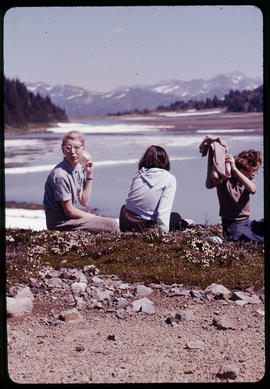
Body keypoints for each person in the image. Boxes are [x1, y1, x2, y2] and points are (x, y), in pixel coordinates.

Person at [43, 130, 119, 233]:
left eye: (77, 147)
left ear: (83, 149)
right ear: (63, 150)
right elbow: (69, 210)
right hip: (59, 223)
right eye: (68, 148)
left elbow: (84, 201)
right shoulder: (60, 175)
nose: (73, 152)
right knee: (111, 225)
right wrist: (95, 218)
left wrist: (89, 174)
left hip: (69, 218)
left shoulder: (78, 168)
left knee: (110, 224)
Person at [119, 145, 182, 232]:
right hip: (144, 225)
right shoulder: (169, 178)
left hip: (125, 221)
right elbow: (163, 210)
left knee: (125, 207)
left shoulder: (138, 175)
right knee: (176, 217)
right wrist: (163, 232)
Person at [210, 149, 264, 244]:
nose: (255, 173)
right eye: (254, 170)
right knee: (260, 242)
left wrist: (235, 170)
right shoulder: (226, 181)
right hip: (234, 227)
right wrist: (215, 156)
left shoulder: (249, 180)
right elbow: (214, 177)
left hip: (247, 223)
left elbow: (252, 189)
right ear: (244, 167)